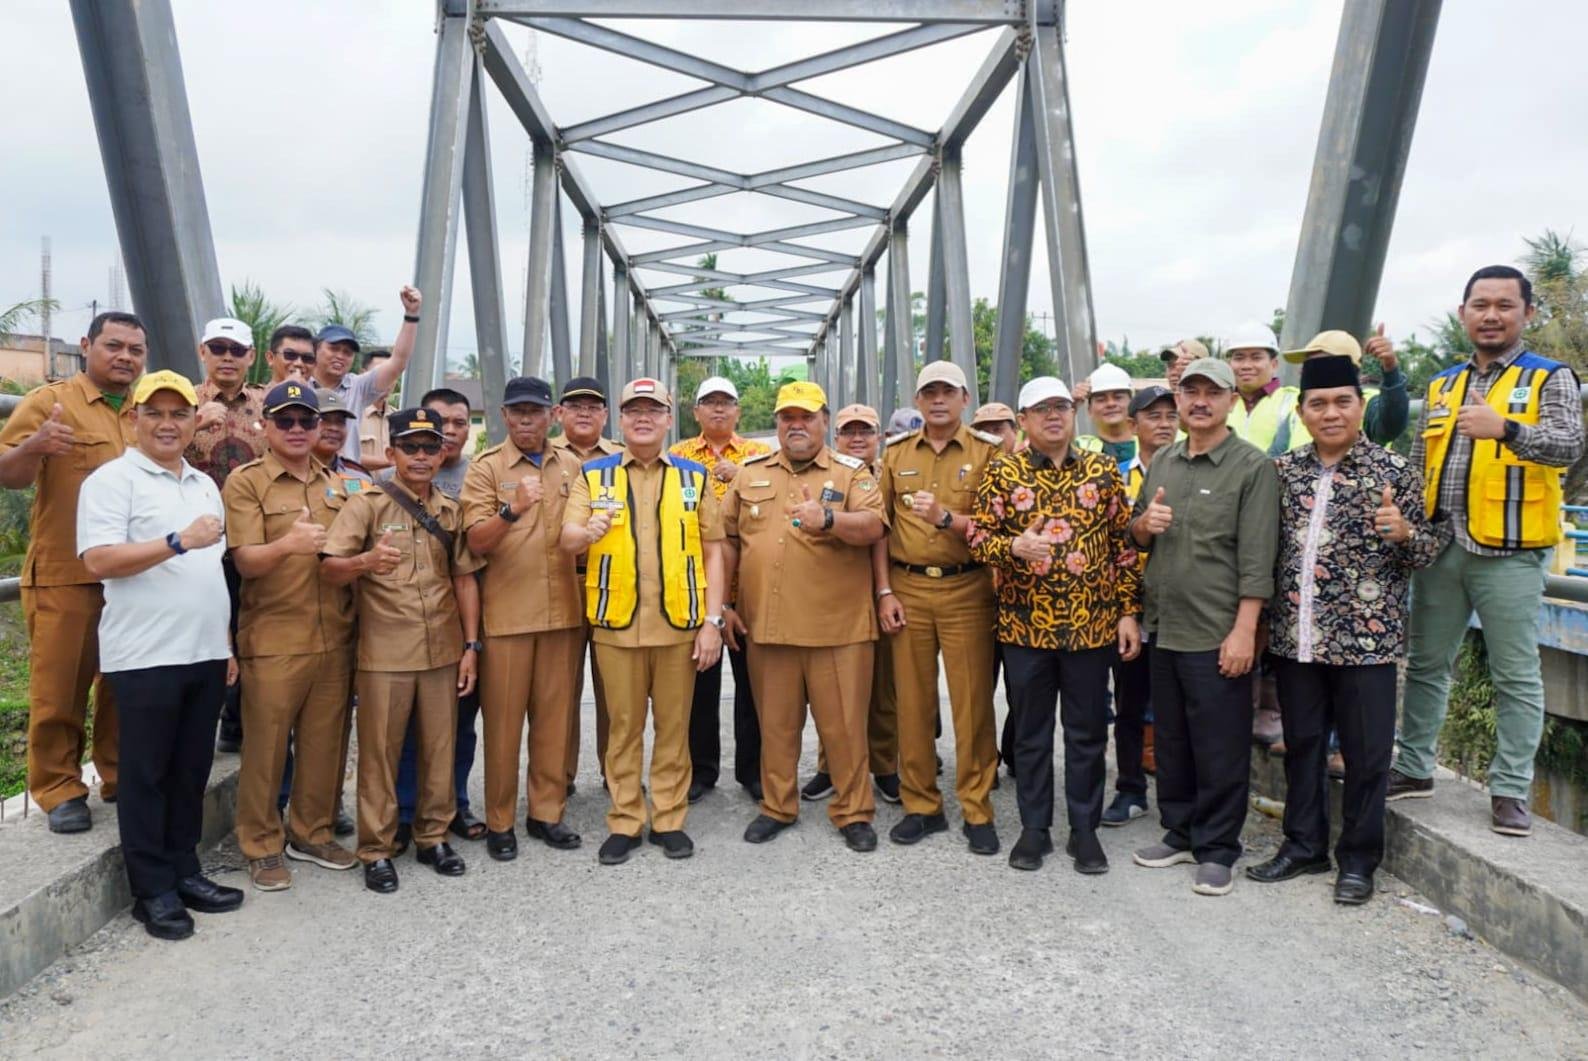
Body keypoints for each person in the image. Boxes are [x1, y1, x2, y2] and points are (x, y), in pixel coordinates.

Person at [1392, 265, 1586, 837]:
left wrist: (1507, 429)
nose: (1492, 315)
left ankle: (1509, 790)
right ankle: (1414, 766)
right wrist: (1409, 529)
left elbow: (1569, 446)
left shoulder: (1549, 377)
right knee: (1426, 664)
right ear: (1463, 314)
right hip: (1441, 544)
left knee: (1515, 673)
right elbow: (1423, 465)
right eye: (1481, 305)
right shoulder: (1443, 385)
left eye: (1505, 305)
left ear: (1528, 313)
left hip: (1511, 550)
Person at [1247, 356, 1443, 904]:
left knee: (1366, 756)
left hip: (1366, 642)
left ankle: (1358, 862)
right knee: (1303, 746)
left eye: (1342, 402)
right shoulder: (1282, 472)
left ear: (1360, 406)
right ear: (1302, 412)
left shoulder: (1395, 471)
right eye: (1318, 404)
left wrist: (1405, 534)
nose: (1330, 413)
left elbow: (1429, 551)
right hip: (1297, 639)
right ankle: (1303, 846)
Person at [76, 369, 241, 939]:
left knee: (190, 771)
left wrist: (225, 643)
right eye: (155, 413)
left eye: (179, 414)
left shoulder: (203, 485)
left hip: (204, 651)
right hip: (145, 655)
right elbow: (98, 560)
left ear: (195, 421)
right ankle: (152, 892)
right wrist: (176, 540)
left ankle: (185, 870)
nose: (167, 424)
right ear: (134, 419)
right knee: (146, 775)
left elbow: (211, 570)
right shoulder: (111, 480)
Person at [970, 376, 1141, 873]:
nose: (1053, 416)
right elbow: (977, 538)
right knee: (1032, 733)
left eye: (1061, 407)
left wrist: (1127, 611)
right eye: (1041, 409)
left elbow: (1124, 546)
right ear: (1023, 420)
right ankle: (1035, 829)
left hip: (1091, 626)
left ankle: (1084, 831)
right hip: (1026, 628)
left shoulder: (1101, 470)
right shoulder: (1003, 472)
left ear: (1074, 413)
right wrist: (1013, 546)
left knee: (1087, 732)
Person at [1129, 357, 1279, 896]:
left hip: (1217, 630)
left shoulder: (1252, 468)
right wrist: (1144, 525)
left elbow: (1258, 559)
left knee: (1220, 744)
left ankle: (1217, 848)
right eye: (1190, 392)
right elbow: (1136, 535)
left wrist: (1245, 631)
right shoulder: (1164, 462)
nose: (1199, 402)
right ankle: (1180, 831)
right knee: (1172, 739)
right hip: (1165, 625)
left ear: (1231, 401)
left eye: (1211, 393)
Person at [560, 378, 725, 866]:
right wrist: (585, 533)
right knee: (623, 730)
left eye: (653, 410)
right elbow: (567, 538)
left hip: (679, 627)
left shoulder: (694, 478)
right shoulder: (594, 476)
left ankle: (669, 819)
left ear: (669, 420)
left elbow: (715, 552)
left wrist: (712, 621)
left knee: (674, 729)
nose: (643, 418)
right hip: (617, 626)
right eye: (634, 410)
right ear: (621, 419)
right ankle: (626, 820)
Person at [321, 407, 483, 894]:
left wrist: (471, 646)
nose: (421, 456)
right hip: (386, 652)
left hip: (442, 650)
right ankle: (375, 848)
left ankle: (433, 837)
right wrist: (366, 562)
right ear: (391, 453)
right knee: (380, 755)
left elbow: (464, 579)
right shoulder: (366, 505)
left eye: (430, 447)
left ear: (441, 454)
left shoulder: (450, 509)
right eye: (410, 447)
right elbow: (329, 568)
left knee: (439, 749)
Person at [723, 381, 887, 853]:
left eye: (807, 417)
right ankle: (777, 805)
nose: (796, 426)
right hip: (769, 626)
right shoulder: (750, 473)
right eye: (787, 418)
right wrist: (725, 606)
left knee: (844, 730)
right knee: (775, 727)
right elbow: (727, 541)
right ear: (777, 424)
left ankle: (853, 811)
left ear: (824, 422)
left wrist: (829, 520)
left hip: (838, 629)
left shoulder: (851, 473)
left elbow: (874, 527)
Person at [0, 311, 144, 832]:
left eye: (135, 349)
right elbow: (9, 475)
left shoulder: (145, 412)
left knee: (124, 684)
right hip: (68, 573)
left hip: (131, 576)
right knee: (60, 687)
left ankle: (120, 775)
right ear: (86, 345)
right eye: (114, 345)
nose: (125, 357)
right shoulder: (50, 403)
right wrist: (34, 446)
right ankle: (59, 787)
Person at [223, 381, 359, 891]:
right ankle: (261, 844)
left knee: (326, 745)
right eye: (286, 420)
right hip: (275, 636)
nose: (298, 429)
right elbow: (245, 562)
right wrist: (289, 544)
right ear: (266, 426)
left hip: (334, 634)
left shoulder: (339, 483)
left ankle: (311, 832)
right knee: (267, 748)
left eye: (307, 420)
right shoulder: (247, 482)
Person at [873, 362, 1003, 855]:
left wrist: (948, 518)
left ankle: (976, 808)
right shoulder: (896, 453)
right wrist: (884, 592)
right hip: (908, 588)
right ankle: (921, 805)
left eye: (948, 391)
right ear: (918, 400)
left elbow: (999, 526)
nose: (938, 400)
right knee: (913, 703)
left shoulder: (989, 453)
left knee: (972, 705)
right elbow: (880, 528)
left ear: (965, 398)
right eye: (929, 392)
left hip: (966, 588)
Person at [462, 376, 585, 862]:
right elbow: (475, 541)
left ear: (553, 415)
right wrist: (512, 510)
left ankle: (546, 813)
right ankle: (500, 820)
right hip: (508, 617)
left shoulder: (572, 465)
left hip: (563, 615)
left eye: (535, 411)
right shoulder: (487, 468)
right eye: (518, 412)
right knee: (503, 727)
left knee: (555, 723)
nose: (527, 420)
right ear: (505, 416)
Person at [669, 376, 771, 803]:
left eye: (726, 402)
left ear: (738, 411)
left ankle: (753, 770)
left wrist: (742, 474)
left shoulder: (759, 455)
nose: (718, 409)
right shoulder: (677, 456)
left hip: (751, 589)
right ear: (695, 412)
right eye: (709, 402)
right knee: (699, 686)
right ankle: (701, 770)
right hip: (697, 589)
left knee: (753, 686)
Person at [804, 403, 901, 803]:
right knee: (832, 690)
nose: (857, 438)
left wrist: (884, 590)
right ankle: (830, 766)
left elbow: (882, 535)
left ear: (879, 436)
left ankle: (886, 765)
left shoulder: (890, 474)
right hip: (839, 595)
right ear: (836, 435)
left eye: (866, 431)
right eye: (849, 431)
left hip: (890, 589)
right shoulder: (827, 473)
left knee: (882, 687)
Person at [186, 317, 269, 757]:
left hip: (251, 539)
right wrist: (194, 424)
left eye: (236, 350)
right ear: (203, 352)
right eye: (218, 348)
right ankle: (201, 723)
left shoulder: (267, 405)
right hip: (194, 543)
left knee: (249, 628)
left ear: (250, 356)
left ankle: (237, 724)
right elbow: (149, 449)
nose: (227, 358)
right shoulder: (182, 402)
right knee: (203, 633)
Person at [1101, 384, 1178, 825]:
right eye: (1153, 416)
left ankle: (1178, 796)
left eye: (1170, 415)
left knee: (1176, 706)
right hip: (1130, 608)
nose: (1164, 424)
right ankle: (1130, 788)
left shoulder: (1190, 473)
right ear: (1133, 425)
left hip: (1179, 607)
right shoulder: (1115, 478)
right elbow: (1111, 543)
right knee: (1129, 702)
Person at [550, 376, 622, 793]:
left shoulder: (623, 457)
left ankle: (617, 773)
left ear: (605, 415)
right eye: (575, 406)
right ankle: (559, 775)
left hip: (613, 581)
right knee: (561, 689)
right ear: (559, 413)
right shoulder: (544, 456)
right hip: (562, 581)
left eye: (593, 407)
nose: (584, 413)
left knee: (615, 687)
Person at [311, 286, 420, 463]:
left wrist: (411, 315)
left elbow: (398, 362)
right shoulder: (299, 386)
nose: (340, 356)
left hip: (345, 477)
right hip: (301, 476)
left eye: (347, 352)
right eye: (334, 348)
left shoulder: (357, 387)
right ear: (316, 349)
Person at [1272, 328, 1409, 452]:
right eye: (1306, 365)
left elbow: (1391, 424)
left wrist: (1391, 368)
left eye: (1316, 365)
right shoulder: (1301, 406)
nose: (1303, 371)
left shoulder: (1369, 403)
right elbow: (1275, 457)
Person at [1072, 363, 1137, 471]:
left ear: (1132, 403)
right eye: (1101, 400)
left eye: (1118, 397)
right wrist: (1072, 406)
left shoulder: (1149, 443)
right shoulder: (1080, 447)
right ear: (1089, 410)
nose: (1111, 404)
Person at [312, 389, 374, 492]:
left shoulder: (358, 477)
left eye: (340, 421)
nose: (334, 428)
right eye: (325, 420)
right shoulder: (290, 474)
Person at [358, 348, 395, 473]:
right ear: (363, 374)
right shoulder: (348, 414)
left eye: (392, 374)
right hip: (353, 485)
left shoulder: (399, 418)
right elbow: (341, 456)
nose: (387, 379)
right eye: (380, 373)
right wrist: (393, 461)